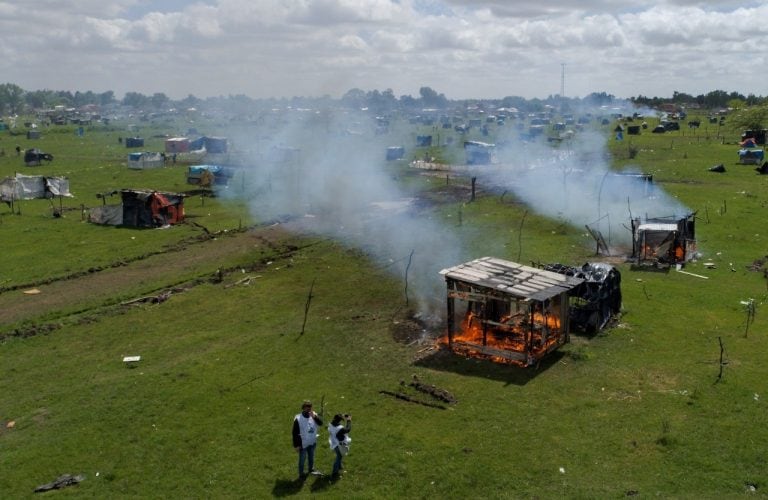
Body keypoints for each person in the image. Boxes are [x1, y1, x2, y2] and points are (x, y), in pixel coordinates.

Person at [292, 400, 323, 479]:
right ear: (303, 408)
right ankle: (301, 474)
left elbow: (320, 423)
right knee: (302, 459)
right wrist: (296, 445)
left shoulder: (313, 415)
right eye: (307, 409)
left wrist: (315, 417)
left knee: (311, 457)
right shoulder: (298, 418)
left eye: (310, 408)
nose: (309, 410)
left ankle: (311, 469)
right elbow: (294, 433)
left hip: (312, 441)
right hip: (303, 443)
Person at [328, 413, 352, 479]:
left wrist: (343, 415)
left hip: (333, 443)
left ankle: (339, 467)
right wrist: (349, 420)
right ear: (340, 420)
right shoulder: (340, 428)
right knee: (339, 457)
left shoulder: (330, 424)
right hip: (339, 444)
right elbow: (348, 429)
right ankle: (334, 472)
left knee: (339, 456)